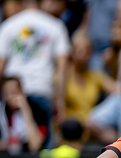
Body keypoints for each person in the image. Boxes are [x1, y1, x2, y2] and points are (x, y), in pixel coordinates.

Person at [0, 0, 71, 131]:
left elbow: (1, 65)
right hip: (42, 89)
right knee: (43, 145)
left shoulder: (8, 25)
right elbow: (62, 68)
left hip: (12, 94)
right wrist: (60, 102)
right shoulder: (56, 25)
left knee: (13, 144)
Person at [0, 76, 48, 154]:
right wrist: (8, 144)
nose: (13, 97)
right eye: (8, 93)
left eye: (15, 92)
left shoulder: (37, 109)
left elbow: (35, 145)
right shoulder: (3, 113)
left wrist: (25, 110)